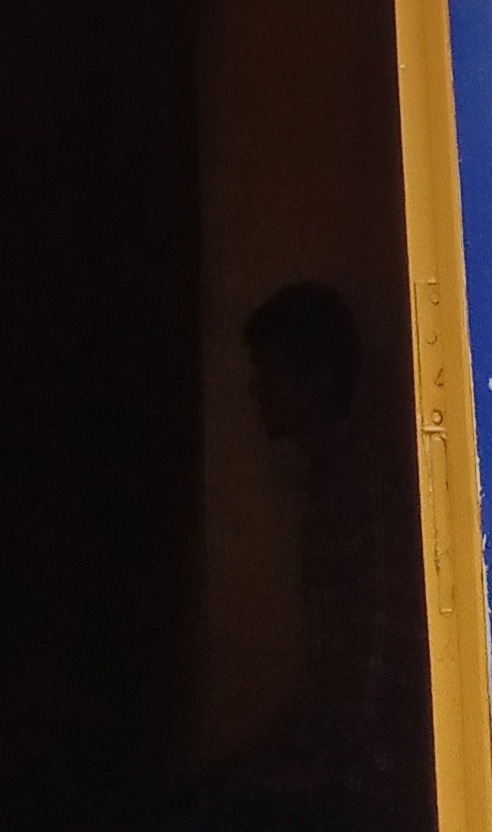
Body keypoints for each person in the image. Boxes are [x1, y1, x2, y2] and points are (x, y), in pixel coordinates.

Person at [178, 282, 398, 832]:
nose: (255, 390)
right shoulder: (329, 481)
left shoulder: (362, 484)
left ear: (317, 379)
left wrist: (308, 769)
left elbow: (370, 669)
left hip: (360, 789)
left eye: (269, 372)